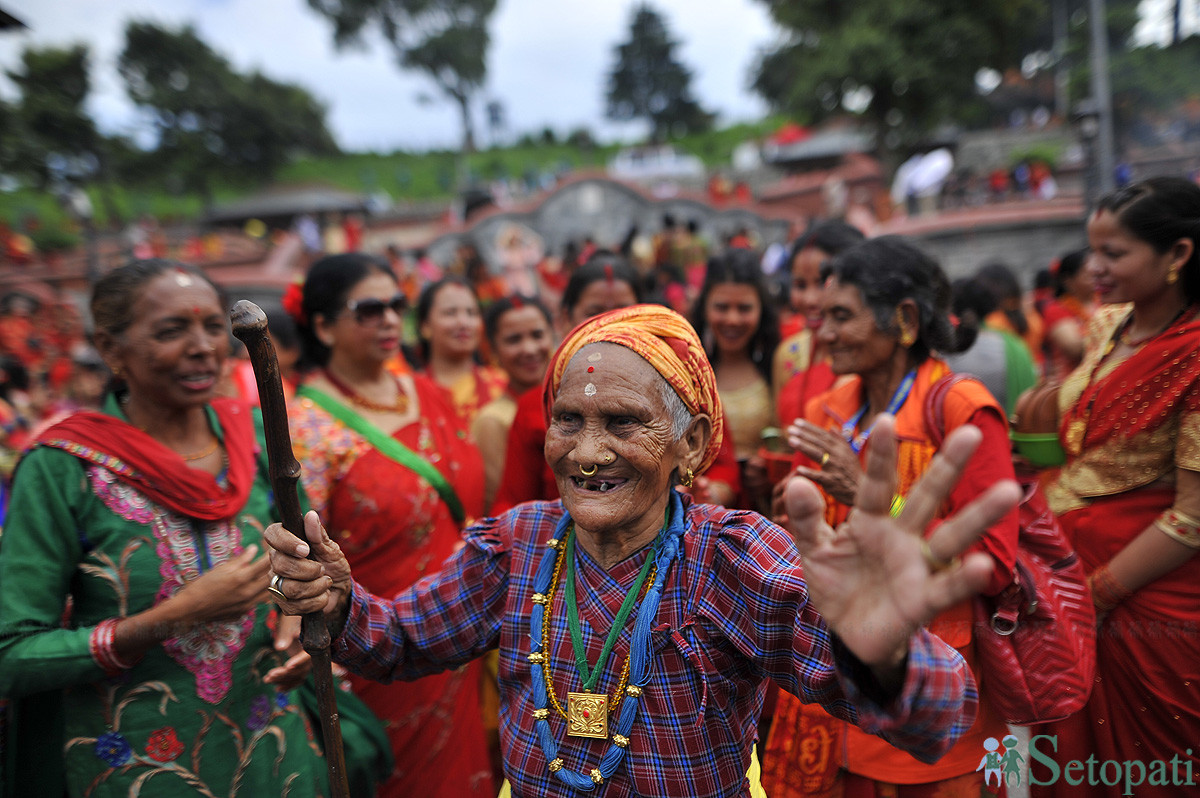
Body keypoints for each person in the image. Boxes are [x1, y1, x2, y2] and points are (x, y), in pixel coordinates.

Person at [263, 302, 1022, 798]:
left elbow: (940, 719)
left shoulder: (734, 559)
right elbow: (399, 641)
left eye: (623, 423)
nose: (586, 451)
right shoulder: (517, 545)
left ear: (690, 443)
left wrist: (883, 654)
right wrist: (338, 601)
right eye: (567, 419)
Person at [0, 260, 325, 798]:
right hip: (133, 770)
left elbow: (313, 567)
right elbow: (11, 654)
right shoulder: (65, 468)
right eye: (172, 331)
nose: (202, 347)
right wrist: (176, 616)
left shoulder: (258, 442)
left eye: (212, 327)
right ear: (110, 349)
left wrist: (299, 614)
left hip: (276, 761)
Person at [761, 236, 1019, 798]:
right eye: (820, 316)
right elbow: (802, 543)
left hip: (926, 684)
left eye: (840, 316)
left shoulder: (959, 409)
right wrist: (789, 518)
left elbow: (994, 564)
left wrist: (876, 500)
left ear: (903, 319)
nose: (821, 334)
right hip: (831, 683)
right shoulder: (824, 409)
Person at [285, 253, 494, 798]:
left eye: (395, 307)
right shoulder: (307, 427)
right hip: (380, 646)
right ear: (324, 326)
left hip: (459, 630)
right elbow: (301, 558)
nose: (388, 321)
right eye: (368, 309)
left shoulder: (428, 394)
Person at [1035, 177, 1200, 794]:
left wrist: (1097, 595)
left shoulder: (1195, 353)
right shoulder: (1106, 327)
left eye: (1114, 254)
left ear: (1178, 256)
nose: (1093, 269)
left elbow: (1193, 516)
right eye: (1092, 251)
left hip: (1147, 601)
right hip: (1066, 574)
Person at [492, 254, 739, 513]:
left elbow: (724, 468)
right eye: (569, 419)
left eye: (624, 421)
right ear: (566, 319)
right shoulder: (535, 404)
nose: (588, 456)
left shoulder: (681, 392)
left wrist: (708, 492)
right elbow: (511, 500)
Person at [691, 249, 779, 510]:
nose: (732, 319)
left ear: (761, 310)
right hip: (701, 509)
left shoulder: (779, 365)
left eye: (744, 308)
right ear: (705, 308)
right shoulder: (686, 370)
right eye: (721, 307)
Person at [773, 221, 865, 429]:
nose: (810, 299)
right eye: (800, 285)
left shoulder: (868, 356)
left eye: (822, 283)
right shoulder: (789, 354)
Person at [473, 295, 555, 514]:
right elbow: (508, 503)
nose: (528, 349)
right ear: (492, 350)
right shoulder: (492, 420)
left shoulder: (578, 401)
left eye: (537, 335)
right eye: (514, 340)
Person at [413, 276, 507, 427]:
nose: (463, 322)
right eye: (450, 313)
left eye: (471, 313)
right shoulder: (411, 393)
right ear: (425, 326)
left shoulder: (502, 385)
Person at [1037, 248, 1094, 381]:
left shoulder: (1106, 303)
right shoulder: (1056, 309)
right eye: (1087, 274)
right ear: (1068, 280)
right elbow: (1073, 348)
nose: (1095, 277)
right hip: (1073, 384)